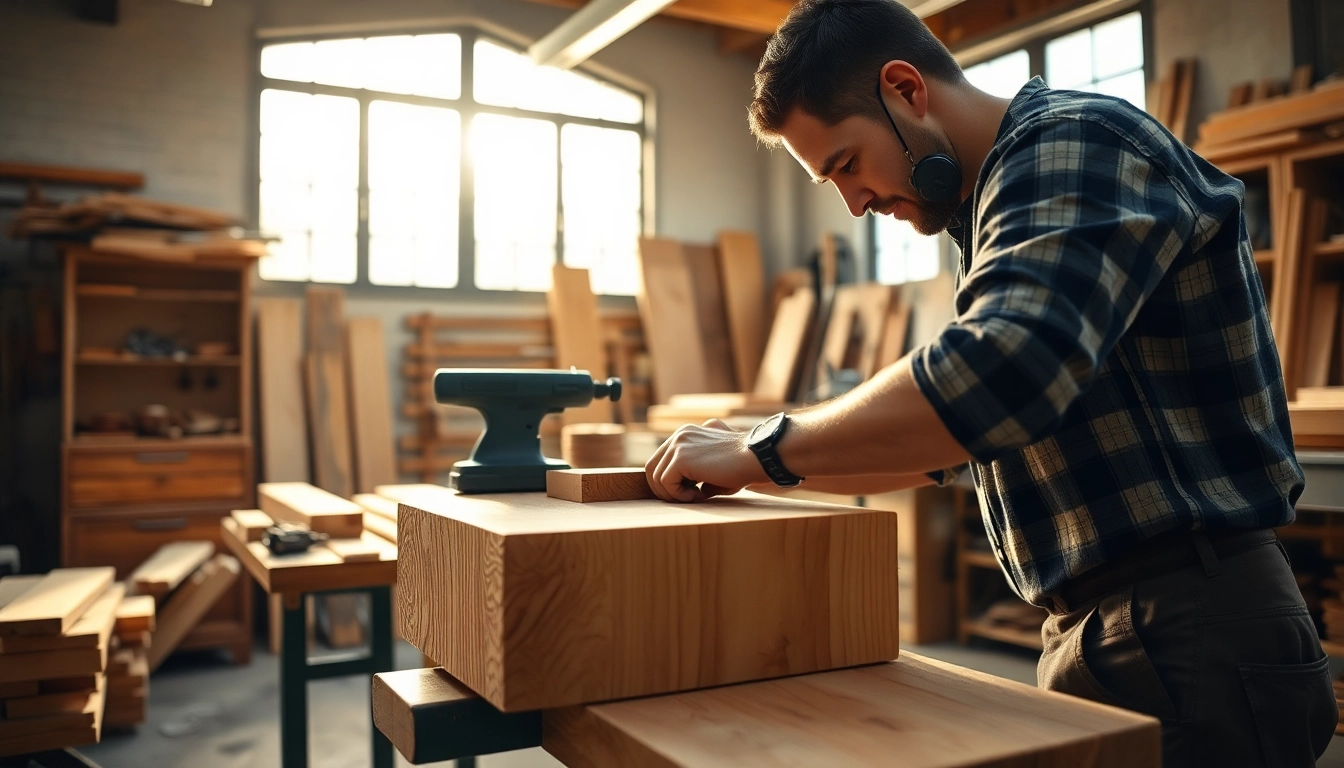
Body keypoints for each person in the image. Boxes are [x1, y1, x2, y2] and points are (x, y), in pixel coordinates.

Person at [642, 0, 1336, 764]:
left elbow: (1001, 373)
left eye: (846, 164)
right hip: (1121, 628)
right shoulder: (990, 208)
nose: (856, 203)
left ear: (905, 89)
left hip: (1187, 622)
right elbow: (966, 447)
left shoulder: (1074, 143)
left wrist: (763, 445)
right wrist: (766, 474)